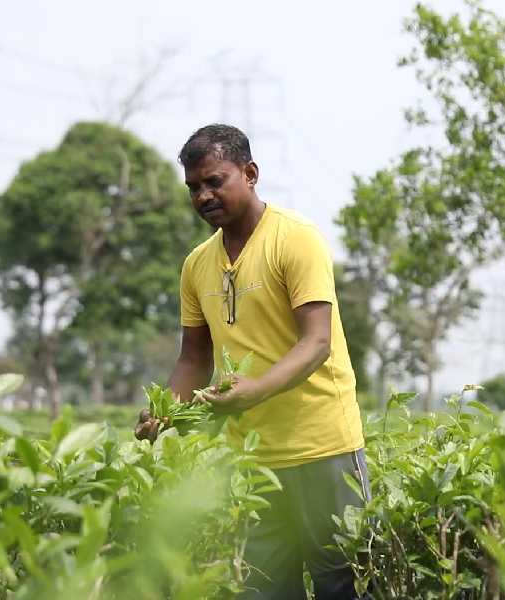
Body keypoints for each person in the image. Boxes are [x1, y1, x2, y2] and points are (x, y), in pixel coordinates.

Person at [135, 124, 369, 600]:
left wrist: (254, 392)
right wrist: (165, 410)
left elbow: (316, 342)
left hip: (323, 449)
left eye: (214, 181)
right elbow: (194, 357)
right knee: (266, 589)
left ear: (250, 173)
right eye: (193, 188)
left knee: (340, 585)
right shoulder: (196, 265)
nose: (203, 196)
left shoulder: (295, 239)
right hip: (254, 462)